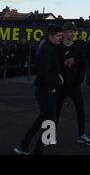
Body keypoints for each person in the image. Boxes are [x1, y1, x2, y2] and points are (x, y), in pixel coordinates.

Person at [14, 25, 63, 155]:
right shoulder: (47, 49)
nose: (60, 38)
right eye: (58, 36)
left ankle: (23, 145)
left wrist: (57, 76)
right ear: (50, 36)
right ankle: (36, 151)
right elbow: (43, 73)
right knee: (50, 122)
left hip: (46, 90)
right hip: (46, 91)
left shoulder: (51, 47)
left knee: (43, 119)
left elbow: (49, 70)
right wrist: (53, 86)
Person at [56, 23, 90, 145]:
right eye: (69, 31)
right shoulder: (57, 47)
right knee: (55, 112)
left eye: (73, 32)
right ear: (63, 33)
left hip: (74, 86)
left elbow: (83, 66)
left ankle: (82, 135)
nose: (71, 34)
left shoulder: (78, 47)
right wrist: (64, 63)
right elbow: (53, 65)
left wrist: (79, 80)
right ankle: (50, 136)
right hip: (60, 85)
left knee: (81, 110)